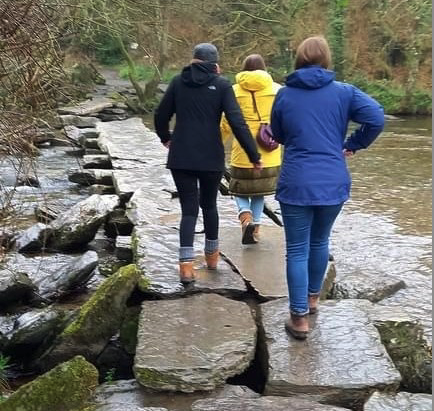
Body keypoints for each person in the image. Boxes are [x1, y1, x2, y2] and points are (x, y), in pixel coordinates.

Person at [271, 36, 384, 339]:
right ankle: (312, 300)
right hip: (332, 180)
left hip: (296, 181)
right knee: (320, 242)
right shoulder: (345, 93)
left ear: (299, 59)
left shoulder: (284, 95)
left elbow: (278, 134)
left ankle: (299, 319)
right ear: (326, 60)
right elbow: (376, 118)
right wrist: (353, 144)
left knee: (296, 249)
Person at [154, 43, 262, 285]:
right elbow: (237, 122)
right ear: (215, 64)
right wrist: (254, 155)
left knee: (189, 210)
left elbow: (161, 114)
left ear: (193, 60)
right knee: (209, 206)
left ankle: (185, 267)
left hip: (181, 156)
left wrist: (166, 138)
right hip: (210, 156)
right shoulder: (222, 85)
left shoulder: (177, 82)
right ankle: (211, 259)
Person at [222, 54, 282, 244]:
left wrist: (215, 144)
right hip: (270, 151)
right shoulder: (278, 90)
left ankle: (245, 217)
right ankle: (255, 229)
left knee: (239, 190)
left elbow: (225, 123)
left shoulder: (233, 91)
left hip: (242, 151)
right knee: (259, 193)